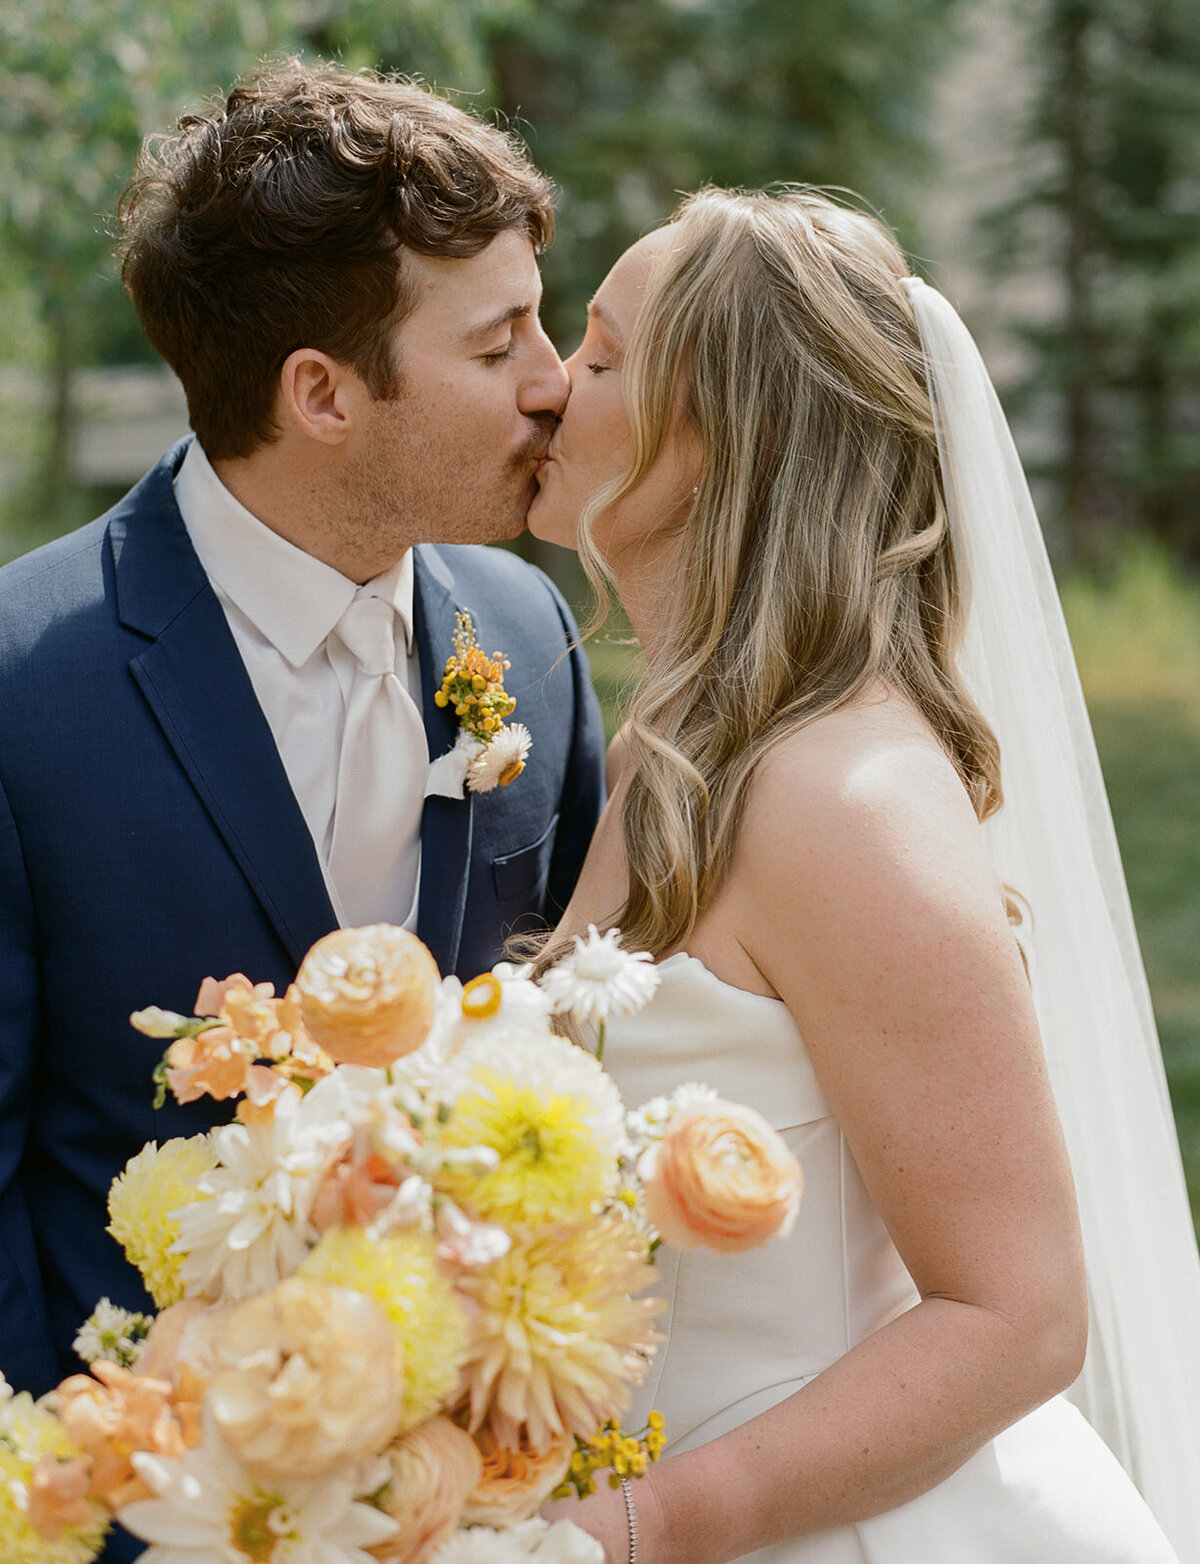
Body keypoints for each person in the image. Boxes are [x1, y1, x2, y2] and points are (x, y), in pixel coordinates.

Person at [529, 187, 1200, 1562]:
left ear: (720, 437)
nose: (549, 386)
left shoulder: (839, 797)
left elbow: (1019, 1316)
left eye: (599, 356)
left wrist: (643, 1528)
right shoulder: (669, 755)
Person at [0, 58, 604, 1444]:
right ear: (323, 395)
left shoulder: (529, 632)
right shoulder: (23, 689)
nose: (554, 382)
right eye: (497, 345)